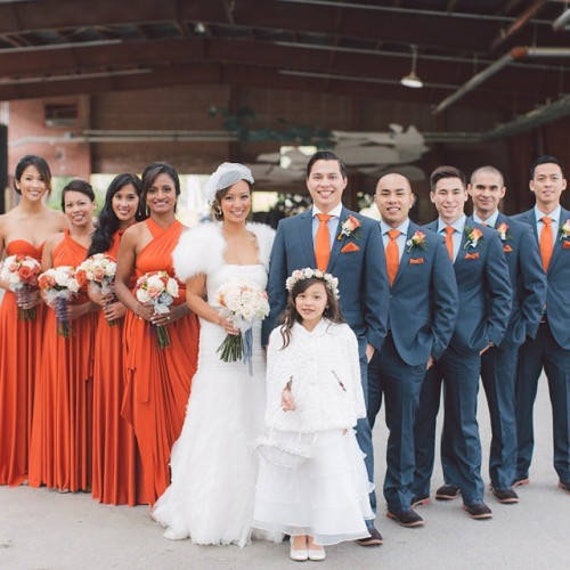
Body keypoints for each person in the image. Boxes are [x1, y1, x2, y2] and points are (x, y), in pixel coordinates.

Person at [263, 150, 389, 546]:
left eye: (332, 177)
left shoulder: (365, 228)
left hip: (345, 346)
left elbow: (378, 290)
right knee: (297, 432)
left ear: (344, 182)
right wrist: (278, 344)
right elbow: (275, 286)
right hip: (298, 343)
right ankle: (298, 520)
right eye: (318, 177)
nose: (325, 184)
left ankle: (360, 516)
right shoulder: (288, 227)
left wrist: (369, 344)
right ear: (308, 182)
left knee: (351, 430)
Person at [152, 163, 275, 546]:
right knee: (219, 417)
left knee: (254, 415)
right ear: (218, 203)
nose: (238, 204)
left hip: (254, 345)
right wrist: (223, 320)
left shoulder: (265, 239)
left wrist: (255, 309)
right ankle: (209, 510)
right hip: (218, 344)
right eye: (230, 198)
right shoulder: (203, 241)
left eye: (243, 196)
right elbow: (192, 296)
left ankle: (263, 510)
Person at [412, 165, 512, 519]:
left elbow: (502, 294)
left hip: (467, 343)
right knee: (422, 417)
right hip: (425, 343)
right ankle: (416, 487)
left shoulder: (485, 237)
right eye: (443, 193)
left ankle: (472, 492)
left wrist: (490, 336)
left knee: (464, 419)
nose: (450, 199)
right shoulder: (419, 236)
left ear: (465, 194)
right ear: (433, 197)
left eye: (456, 192)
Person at [254, 269, 373, 562]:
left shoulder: (341, 334)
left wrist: (351, 415)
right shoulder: (281, 333)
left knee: (323, 475)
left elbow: (351, 376)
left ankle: (318, 531)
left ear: (328, 301)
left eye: (316, 297)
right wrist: (283, 395)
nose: (309, 302)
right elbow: (276, 376)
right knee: (297, 475)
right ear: (293, 300)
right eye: (302, 296)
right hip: (294, 418)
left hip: (330, 415)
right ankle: (298, 530)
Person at [367, 172, 458, 527]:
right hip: (370, 351)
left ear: (411, 198)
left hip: (411, 351)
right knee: (359, 427)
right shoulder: (363, 237)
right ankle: (361, 501)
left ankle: (400, 498)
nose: (392, 199)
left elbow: (447, 302)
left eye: (399, 193)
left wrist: (433, 348)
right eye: (385, 193)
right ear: (375, 198)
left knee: (404, 429)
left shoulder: (431, 242)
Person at [114, 162, 199, 505]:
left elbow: (199, 291)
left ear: (177, 193)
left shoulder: (192, 236)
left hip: (181, 331)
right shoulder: (134, 234)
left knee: (185, 409)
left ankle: (185, 489)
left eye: (166, 189)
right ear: (145, 195)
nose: (160, 196)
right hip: (145, 329)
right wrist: (138, 308)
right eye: (153, 190)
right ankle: (158, 491)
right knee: (149, 411)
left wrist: (176, 311)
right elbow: (119, 282)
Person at [467, 165, 546, 504]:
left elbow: (535, 286)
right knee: (461, 412)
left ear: (502, 192)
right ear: (469, 190)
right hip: (465, 339)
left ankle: (503, 477)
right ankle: (459, 476)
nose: (485, 193)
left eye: (492, 188)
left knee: (504, 409)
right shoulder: (457, 231)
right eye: (480, 187)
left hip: (504, 339)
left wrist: (522, 330)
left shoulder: (519, 232)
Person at [28, 179, 99, 492]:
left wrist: (83, 310)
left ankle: (90, 470)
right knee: (62, 392)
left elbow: (110, 287)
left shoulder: (104, 241)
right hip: (58, 329)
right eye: (69, 205)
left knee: (92, 395)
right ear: (64, 209)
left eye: (81, 203)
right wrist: (53, 299)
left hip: (93, 325)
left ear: (93, 204)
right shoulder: (54, 244)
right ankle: (63, 467)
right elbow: (44, 284)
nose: (76, 210)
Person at [0, 155, 67, 486]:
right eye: (29, 178)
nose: (35, 184)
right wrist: (14, 282)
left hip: (50, 308)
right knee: (16, 379)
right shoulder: (4, 221)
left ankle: (46, 459)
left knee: (47, 379)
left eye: (41, 178)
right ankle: (17, 458)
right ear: (17, 183)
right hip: (16, 307)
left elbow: (72, 257)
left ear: (49, 184)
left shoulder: (61, 220)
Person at [88, 173, 149, 505]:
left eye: (131, 197)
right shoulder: (103, 236)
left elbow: (151, 281)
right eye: (119, 197)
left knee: (134, 394)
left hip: (133, 322)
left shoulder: (144, 234)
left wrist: (128, 310)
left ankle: (138, 480)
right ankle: (113, 479)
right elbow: (88, 278)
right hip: (105, 328)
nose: (124, 204)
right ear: (110, 200)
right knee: (110, 395)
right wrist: (95, 297)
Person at [512, 155, 570, 493]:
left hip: (563, 330)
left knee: (565, 404)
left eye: (554, 178)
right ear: (532, 185)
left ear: (563, 184)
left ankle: (566, 469)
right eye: (541, 178)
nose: (547, 184)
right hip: (526, 330)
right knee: (519, 400)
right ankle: (516, 466)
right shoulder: (514, 226)